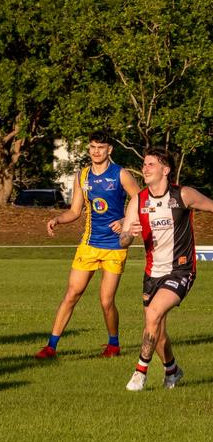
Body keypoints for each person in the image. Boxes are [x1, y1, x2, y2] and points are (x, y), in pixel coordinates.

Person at [35, 131, 140, 359]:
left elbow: (141, 201)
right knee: (72, 293)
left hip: (115, 246)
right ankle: (51, 346)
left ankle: (113, 345)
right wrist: (57, 219)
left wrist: (124, 221)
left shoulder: (121, 174)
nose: (95, 151)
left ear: (109, 149)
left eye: (100, 147)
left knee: (106, 300)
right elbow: (75, 211)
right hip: (89, 244)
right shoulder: (82, 176)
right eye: (92, 146)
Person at [120, 148, 213, 391]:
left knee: (153, 316)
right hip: (152, 273)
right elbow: (123, 239)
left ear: (165, 170)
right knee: (158, 333)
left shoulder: (183, 194)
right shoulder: (138, 200)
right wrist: (129, 234)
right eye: (144, 164)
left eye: (151, 164)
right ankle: (172, 371)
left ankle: (140, 373)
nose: (145, 168)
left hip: (181, 271)